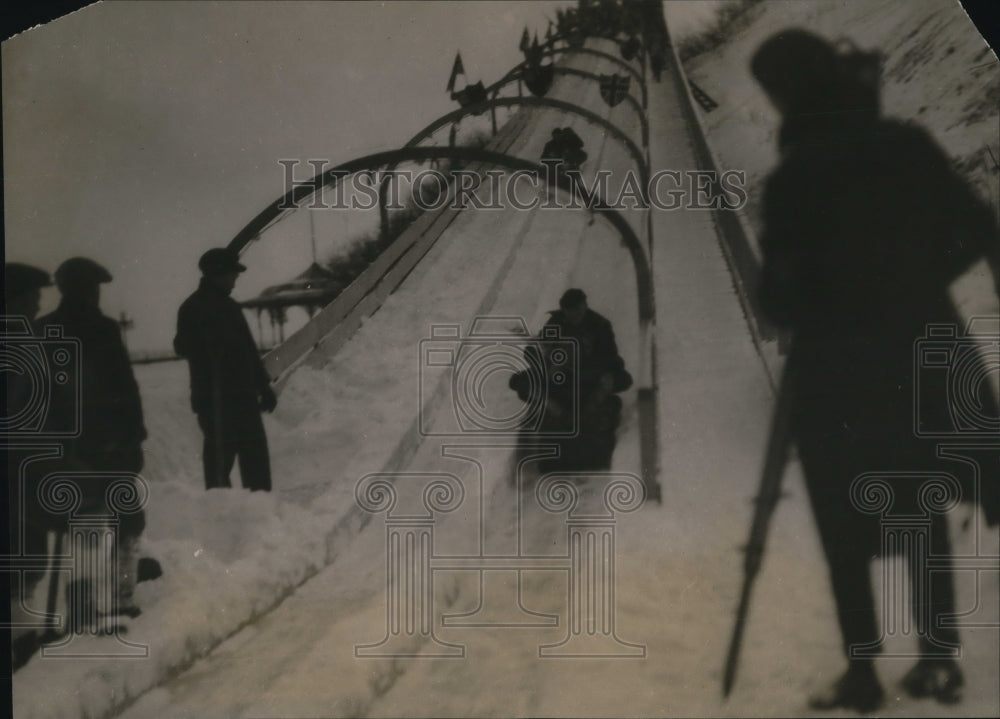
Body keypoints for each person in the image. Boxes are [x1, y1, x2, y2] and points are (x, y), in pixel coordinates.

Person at [751, 30, 999, 712]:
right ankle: (939, 659)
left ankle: (862, 673)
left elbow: (778, 301)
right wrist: (915, 281)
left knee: (845, 525)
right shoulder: (906, 146)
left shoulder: (793, 177)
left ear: (786, 92)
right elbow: (978, 228)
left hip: (837, 378)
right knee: (918, 507)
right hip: (922, 358)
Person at [38, 257, 149, 626]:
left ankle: (86, 605)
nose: (97, 294)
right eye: (93, 287)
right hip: (103, 447)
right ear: (81, 289)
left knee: (87, 523)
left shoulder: (45, 328)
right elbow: (125, 389)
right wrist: (134, 437)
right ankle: (118, 599)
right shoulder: (100, 328)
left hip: (78, 449)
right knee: (122, 519)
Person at [174, 248, 276, 492]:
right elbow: (182, 346)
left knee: (255, 464)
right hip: (215, 400)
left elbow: (249, 353)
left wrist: (263, 386)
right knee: (220, 468)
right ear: (217, 274)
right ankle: (221, 518)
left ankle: (259, 515)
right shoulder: (193, 308)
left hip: (242, 398)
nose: (235, 279)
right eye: (232, 274)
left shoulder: (229, 306)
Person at [511, 288, 632, 472]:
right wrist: (548, 358)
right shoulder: (558, 322)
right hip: (559, 380)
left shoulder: (599, 326)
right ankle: (558, 413)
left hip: (588, 381)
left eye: (576, 310)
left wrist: (589, 372)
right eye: (569, 312)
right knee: (522, 382)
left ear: (584, 306)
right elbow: (543, 346)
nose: (573, 316)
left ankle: (583, 421)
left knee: (615, 381)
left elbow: (610, 360)